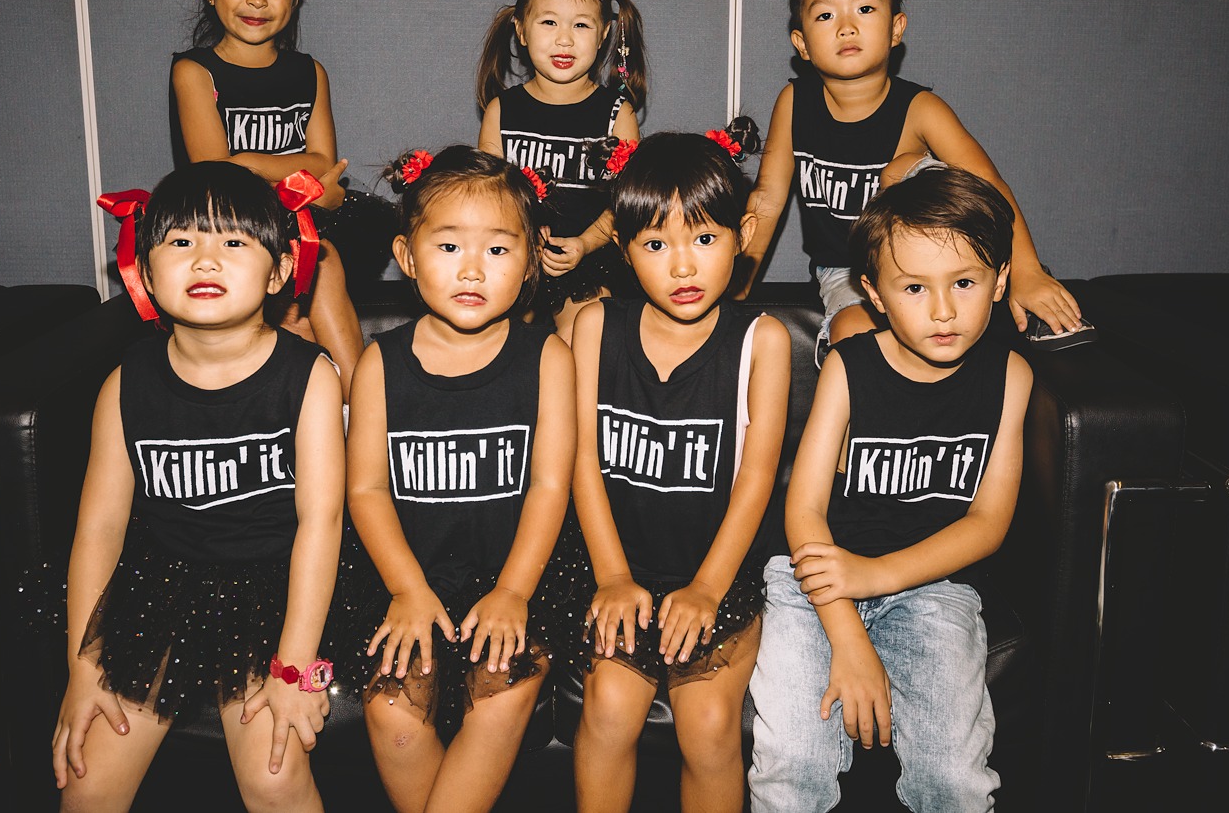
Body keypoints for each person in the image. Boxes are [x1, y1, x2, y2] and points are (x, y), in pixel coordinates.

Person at [52, 161, 345, 812]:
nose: (205, 258)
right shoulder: (125, 384)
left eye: (234, 241)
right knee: (87, 784)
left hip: (276, 586)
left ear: (279, 271)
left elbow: (322, 523)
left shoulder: (309, 377)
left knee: (273, 778)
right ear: (144, 270)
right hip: (161, 584)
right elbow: (99, 528)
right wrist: (83, 669)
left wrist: (293, 667)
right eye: (181, 240)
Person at [747, 164, 1034, 813]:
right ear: (874, 294)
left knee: (952, 778)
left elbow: (987, 523)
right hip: (814, 580)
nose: (943, 310)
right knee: (793, 765)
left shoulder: (1010, 376)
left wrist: (877, 576)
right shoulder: (849, 366)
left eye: (964, 282)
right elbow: (803, 510)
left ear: (1000, 281)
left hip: (935, 585)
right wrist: (848, 635)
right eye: (914, 287)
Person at [342, 146, 575, 813]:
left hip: (515, 574)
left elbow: (550, 486)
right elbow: (365, 490)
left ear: (530, 261)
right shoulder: (380, 363)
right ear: (408, 256)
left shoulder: (547, 357)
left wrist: (514, 590)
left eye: (498, 250)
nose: (472, 269)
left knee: (502, 694)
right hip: (407, 574)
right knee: (391, 712)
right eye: (448, 246)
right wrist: (407, 588)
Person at [567, 126, 791, 813]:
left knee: (710, 725)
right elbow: (582, 460)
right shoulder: (595, 326)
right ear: (624, 247)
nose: (683, 266)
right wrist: (612, 575)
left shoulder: (762, 340)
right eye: (656, 244)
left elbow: (756, 481)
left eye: (704, 238)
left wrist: (707, 587)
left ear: (742, 235)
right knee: (608, 708)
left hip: (718, 568)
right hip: (621, 563)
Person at [736, 0, 1082, 360]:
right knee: (853, 339)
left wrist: (1026, 271)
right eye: (825, 15)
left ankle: (1001, 293)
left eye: (865, 9)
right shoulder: (794, 103)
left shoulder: (922, 110)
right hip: (850, 270)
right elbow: (768, 200)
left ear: (896, 28)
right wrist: (735, 291)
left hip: (934, 263)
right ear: (802, 44)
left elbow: (989, 187)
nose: (846, 27)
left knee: (902, 170)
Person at [170, 0, 366, 391]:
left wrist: (249, 161)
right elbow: (217, 172)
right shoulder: (194, 72)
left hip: (301, 225)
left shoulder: (310, 72)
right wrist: (300, 180)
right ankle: (354, 402)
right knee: (309, 268)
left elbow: (325, 162)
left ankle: (359, 404)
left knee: (320, 263)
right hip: (226, 225)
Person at [476, 0, 650, 342]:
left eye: (581, 25)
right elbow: (488, 201)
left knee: (586, 330)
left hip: (590, 259)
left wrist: (583, 244)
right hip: (515, 259)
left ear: (604, 34)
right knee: (494, 336)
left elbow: (627, 203)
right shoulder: (501, 111)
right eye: (549, 22)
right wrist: (523, 238)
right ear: (521, 29)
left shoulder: (617, 113)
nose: (565, 39)